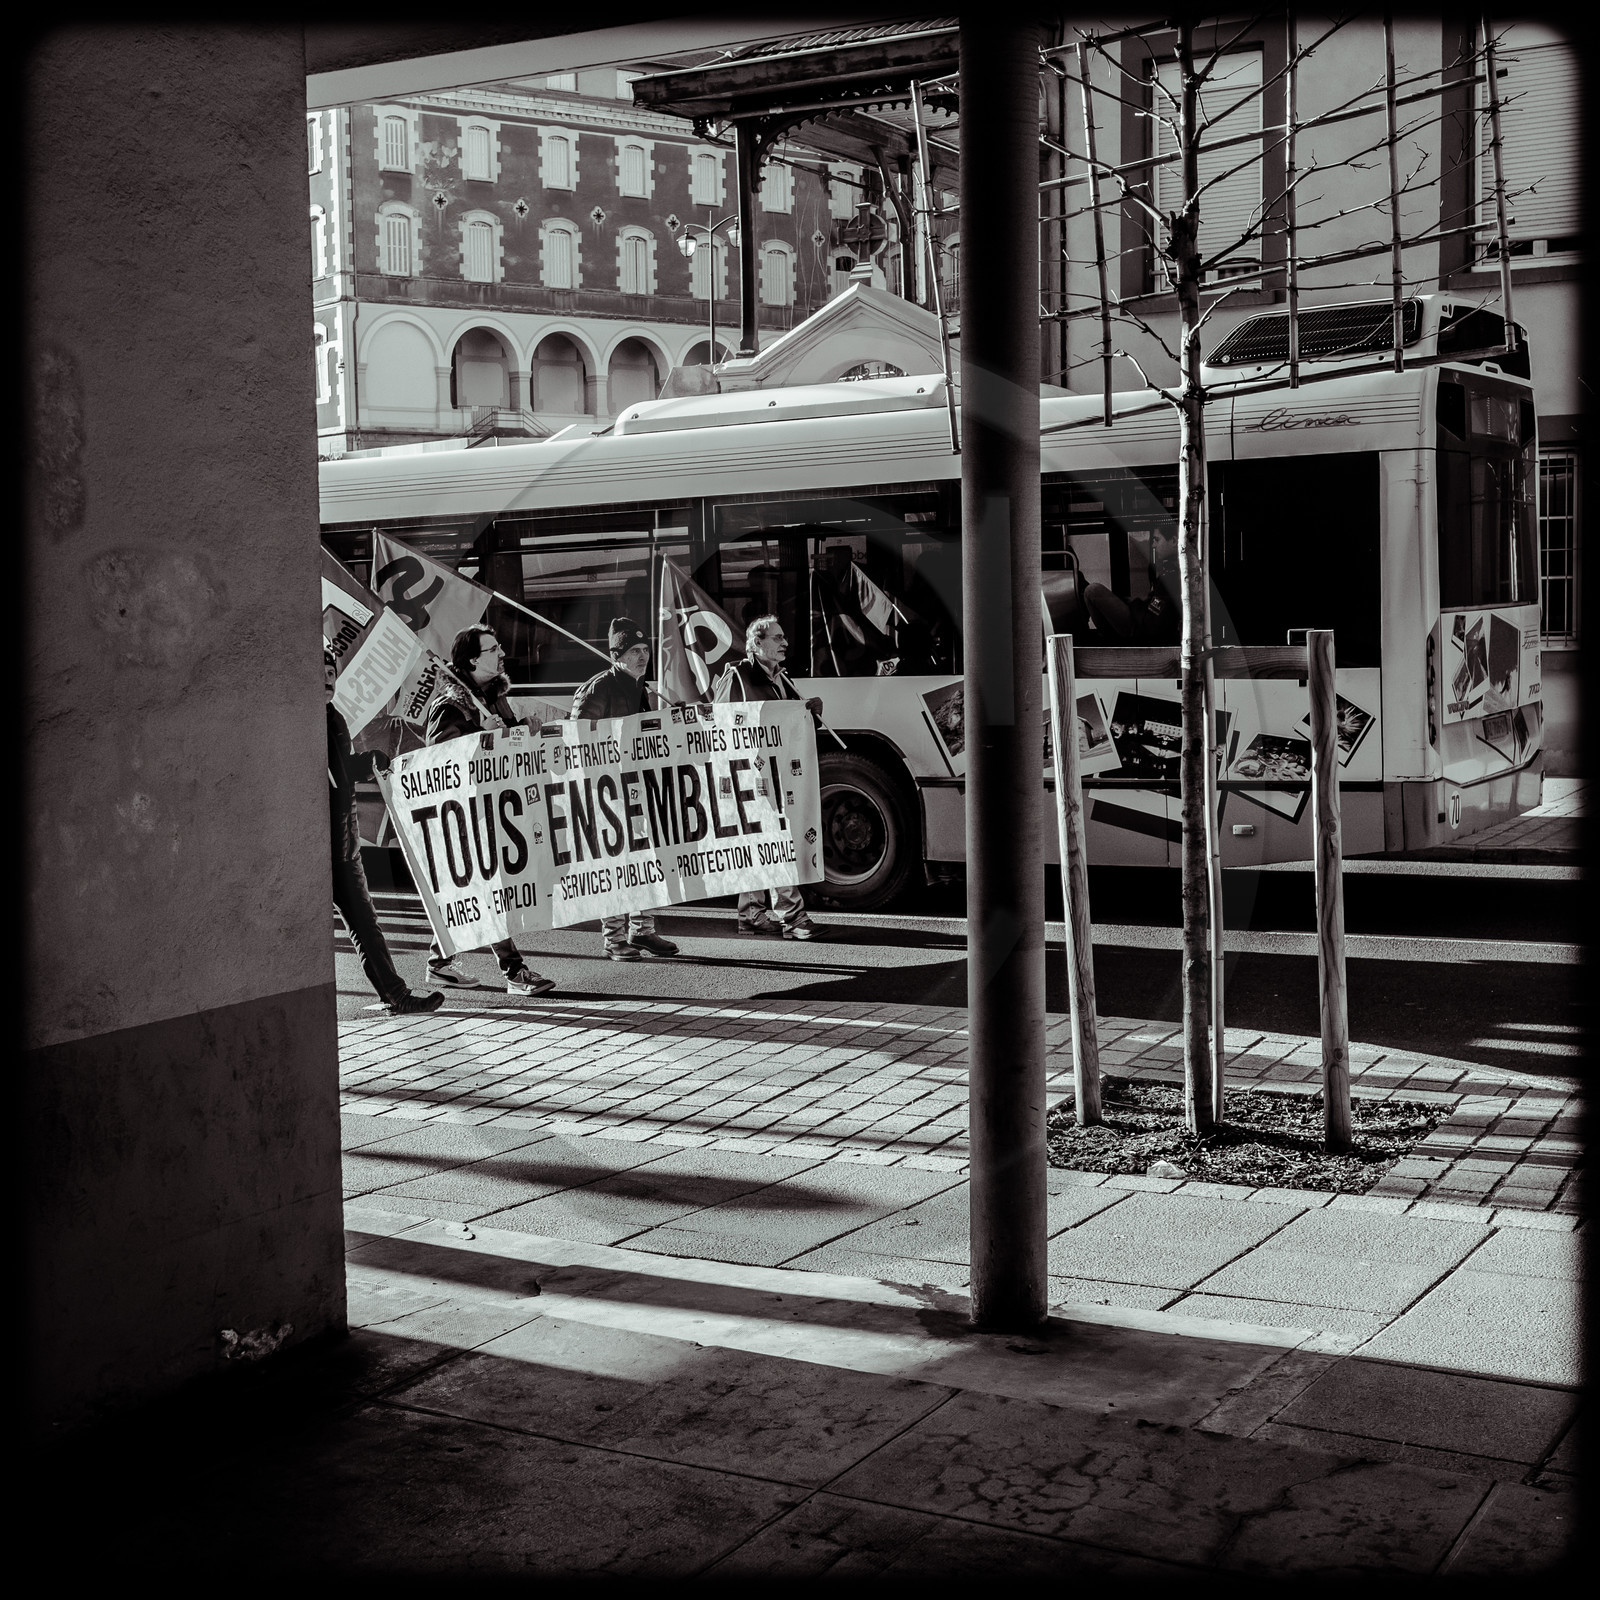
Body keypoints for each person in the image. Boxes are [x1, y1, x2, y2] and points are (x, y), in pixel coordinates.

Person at [423, 626, 556, 996]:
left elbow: (504, 745)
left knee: (481, 892)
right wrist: (478, 733)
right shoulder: (452, 704)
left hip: (497, 809)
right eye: (493, 648)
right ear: (472, 659)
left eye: (499, 646)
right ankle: (514, 972)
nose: (502, 653)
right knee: (491, 889)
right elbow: (438, 762)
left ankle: (439, 962)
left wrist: (523, 729)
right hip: (469, 815)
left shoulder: (493, 695)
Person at [325, 650, 443, 1016]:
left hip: (343, 841)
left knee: (365, 922)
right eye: (321, 672)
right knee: (362, 922)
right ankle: (395, 995)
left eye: (332, 672)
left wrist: (370, 759)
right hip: (321, 844)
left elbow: (340, 770)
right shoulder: (304, 718)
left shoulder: (332, 716)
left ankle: (396, 995)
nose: (329, 679)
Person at [570, 617, 680, 963]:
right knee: (615, 865)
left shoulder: (643, 689)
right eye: (634, 650)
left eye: (645, 649)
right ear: (617, 653)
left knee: (645, 859)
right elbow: (577, 741)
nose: (642, 656)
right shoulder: (597, 689)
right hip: (608, 792)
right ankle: (614, 938)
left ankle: (642, 929)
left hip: (638, 788)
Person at [713, 615, 824, 942]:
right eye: (776, 638)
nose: (784, 643)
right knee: (775, 842)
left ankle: (751, 913)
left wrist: (811, 715)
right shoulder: (737, 677)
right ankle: (793, 917)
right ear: (756, 643)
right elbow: (718, 725)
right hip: (751, 775)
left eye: (783, 637)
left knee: (760, 843)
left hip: (780, 776)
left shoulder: (785, 680)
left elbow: (791, 731)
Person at [1083, 524, 1181, 644]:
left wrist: (1134, 605)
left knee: (1092, 591)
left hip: (1140, 630)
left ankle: (1109, 641)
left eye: (1157, 540)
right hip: (1143, 623)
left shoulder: (1171, 577)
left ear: (1174, 541)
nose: (1153, 545)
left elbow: (1153, 621)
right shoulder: (1173, 571)